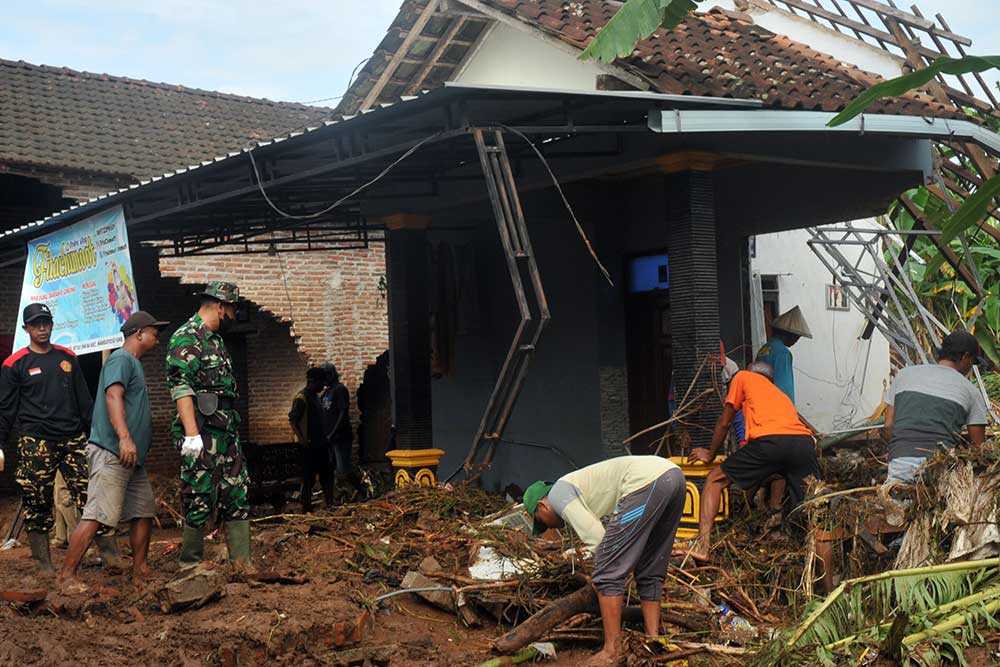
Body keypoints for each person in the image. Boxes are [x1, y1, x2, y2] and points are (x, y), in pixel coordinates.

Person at [524, 456, 686, 665]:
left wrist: (604, 574)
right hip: (674, 477)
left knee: (607, 572)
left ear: (541, 506)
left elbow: (598, 539)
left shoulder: (557, 495)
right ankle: (653, 640)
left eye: (542, 523)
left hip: (646, 483)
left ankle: (611, 650)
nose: (550, 528)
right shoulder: (579, 485)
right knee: (650, 567)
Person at [0, 303, 115, 573]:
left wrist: (97, 437)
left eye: (46, 322)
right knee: (36, 500)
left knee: (92, 495)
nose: (42, 328)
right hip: (35, 442)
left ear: (52, 324)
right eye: (36, 324)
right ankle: (44, 564)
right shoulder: (14, 364)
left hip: (73, 439)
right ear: (26, 328)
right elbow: (5, 408)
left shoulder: (67, 358)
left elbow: (85, 402)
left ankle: (111, 556)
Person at [58, 311, 168, 591]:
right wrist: (125, 438)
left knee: (143, 510)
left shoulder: (133, 363)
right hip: (113, 452)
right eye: (153, 331)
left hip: (132, 459)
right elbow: (112, 396)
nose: (157, 337)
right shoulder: (120, 359)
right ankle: (66, 576)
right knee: (96, 513)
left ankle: (140, 570)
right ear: (138, 333)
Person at [680, 361, 819, 563]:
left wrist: (710, 454)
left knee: (715, 479)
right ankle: (825, 579)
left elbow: (725, 422)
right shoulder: (781, 396)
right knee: (815, 510)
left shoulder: (743, 377)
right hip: (804, 444)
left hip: (771, 442)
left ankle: (703, 547)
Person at [166, 282, 252, 568]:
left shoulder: (215, 340)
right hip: (202, 431)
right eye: (232, 309)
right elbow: (181, 388)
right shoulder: (186, 338)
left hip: (226, 429)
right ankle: (189, 565)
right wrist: (191, 435)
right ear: (220, 306)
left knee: (237, 490)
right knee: (199, 494)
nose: (234, 315)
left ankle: (243, 564)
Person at [884, 331, 988, 484]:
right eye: (972, 362)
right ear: (965, 357)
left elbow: (888, 426)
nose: (970, 368)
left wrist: (902, 450)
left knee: (899, 504)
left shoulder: (904, 375)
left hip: (900, 464)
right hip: (939, 468)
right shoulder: (971, 391)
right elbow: (979, 448)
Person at [290, 367, 334, 512]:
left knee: (326, 476)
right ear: (313, 382)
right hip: (308, 447)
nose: (323, 386)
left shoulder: (316, 397)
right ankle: (306, 509)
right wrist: (301, 438)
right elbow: (293, 420)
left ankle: (330, 505)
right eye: (321, 382)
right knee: (308, 479)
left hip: (321, 445)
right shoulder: (301, 398)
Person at [320, 362, 365, 498]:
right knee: (332, 469)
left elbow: (343, 413)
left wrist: (333, 433)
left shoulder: (340, 389)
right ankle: (338, 496)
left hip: (340, 437)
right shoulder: (327, 392)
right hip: (329, 437)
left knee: (344, 469)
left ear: (331, 375)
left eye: (325, 376)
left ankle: (362, 491)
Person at [755, 305, 812, 403]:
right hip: (777, 407)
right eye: (796, 336)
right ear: (786, 333)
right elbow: (784, 388)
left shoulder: (764, 349)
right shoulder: (783, 353)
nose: (796, 340)